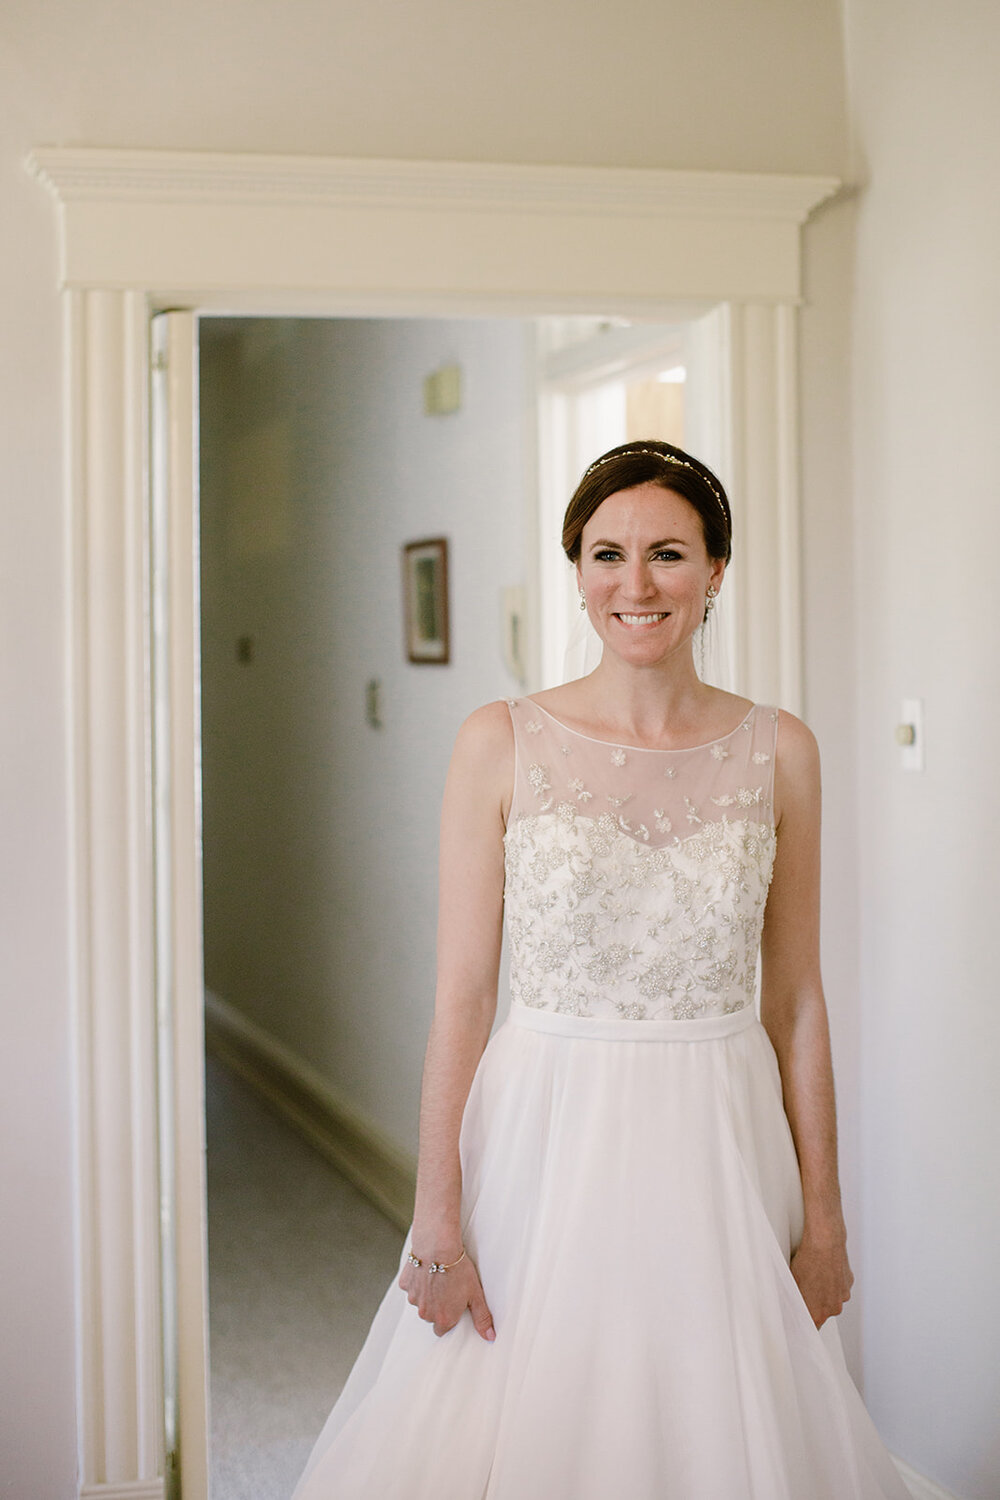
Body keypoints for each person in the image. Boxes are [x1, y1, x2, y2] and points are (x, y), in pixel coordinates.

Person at [290, 440, 910, 1499]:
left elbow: (797, 1001)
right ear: (575, 568)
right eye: (605, 554)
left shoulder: (781, 751)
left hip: (719, 1133)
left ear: (715, 570)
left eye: (667, 553)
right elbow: (462, 996)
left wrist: (825, 1217)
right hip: (544, 1134)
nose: (635, 584)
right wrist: (435, 1218)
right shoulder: (500, 740)